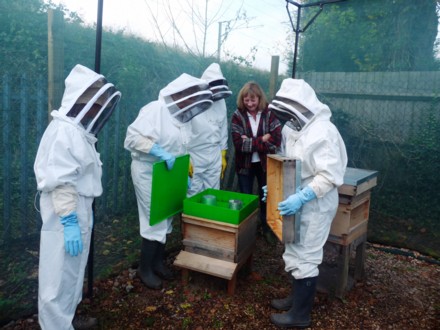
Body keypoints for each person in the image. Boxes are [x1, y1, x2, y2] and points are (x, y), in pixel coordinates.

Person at [34, 64, 122, 330]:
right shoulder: (65, 131)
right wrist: (70, 219)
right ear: (83, 102)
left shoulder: (78, 132)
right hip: (66, 215)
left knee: (71, 272)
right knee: (57, 276)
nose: (99, 110)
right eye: (96, 104)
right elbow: (61, 181)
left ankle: (66, 321)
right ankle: (55, 326)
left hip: (76, 210)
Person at [265, 78, 347, 328]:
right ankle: (295, 298)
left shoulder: (324, 132)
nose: (287, 119)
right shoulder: (294, 129)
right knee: (293, 247)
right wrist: (275, 184)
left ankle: (300, 316)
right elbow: (287, 161)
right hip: (295, 196)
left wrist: (302, 196)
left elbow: (329, 176)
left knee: (308, 254)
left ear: (302, 106)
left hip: (316, 202)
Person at [124, 73, 213, 290]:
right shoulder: (155, 110)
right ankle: (145, 269)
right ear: (179, 94)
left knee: (166, 217)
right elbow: (132, 138)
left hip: (170, 172)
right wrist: (159, 151)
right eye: (190, 97)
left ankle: (157, 262)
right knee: (154, 218)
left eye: (194, 99)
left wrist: (187, 173)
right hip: (148, 171)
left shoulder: (183, 119)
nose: (192, 103)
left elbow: (183, 147)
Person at [231, 81, 282, 243]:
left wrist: (251, 141)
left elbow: (276, 141)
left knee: (266, 197)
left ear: (260, 98)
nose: (250, 104)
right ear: (242, 100)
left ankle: (267, 229)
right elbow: (239, 145)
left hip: (265, 165)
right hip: (244, 165)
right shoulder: (237, 116)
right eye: (247, 100)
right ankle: (245, 232)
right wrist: (263, 139)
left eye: (253, 100)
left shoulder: (270, 114)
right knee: (245, 198)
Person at [187, 63, 231, 197]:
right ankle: (191, 218)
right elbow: (183, 129)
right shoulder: (192, 100)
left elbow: (223, 128)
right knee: (192, 193)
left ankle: (208, 218)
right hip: (194, 153)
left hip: (214, 154)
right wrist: (184, 156)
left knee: (212, 194)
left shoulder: (221, 102)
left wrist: (223, 153)